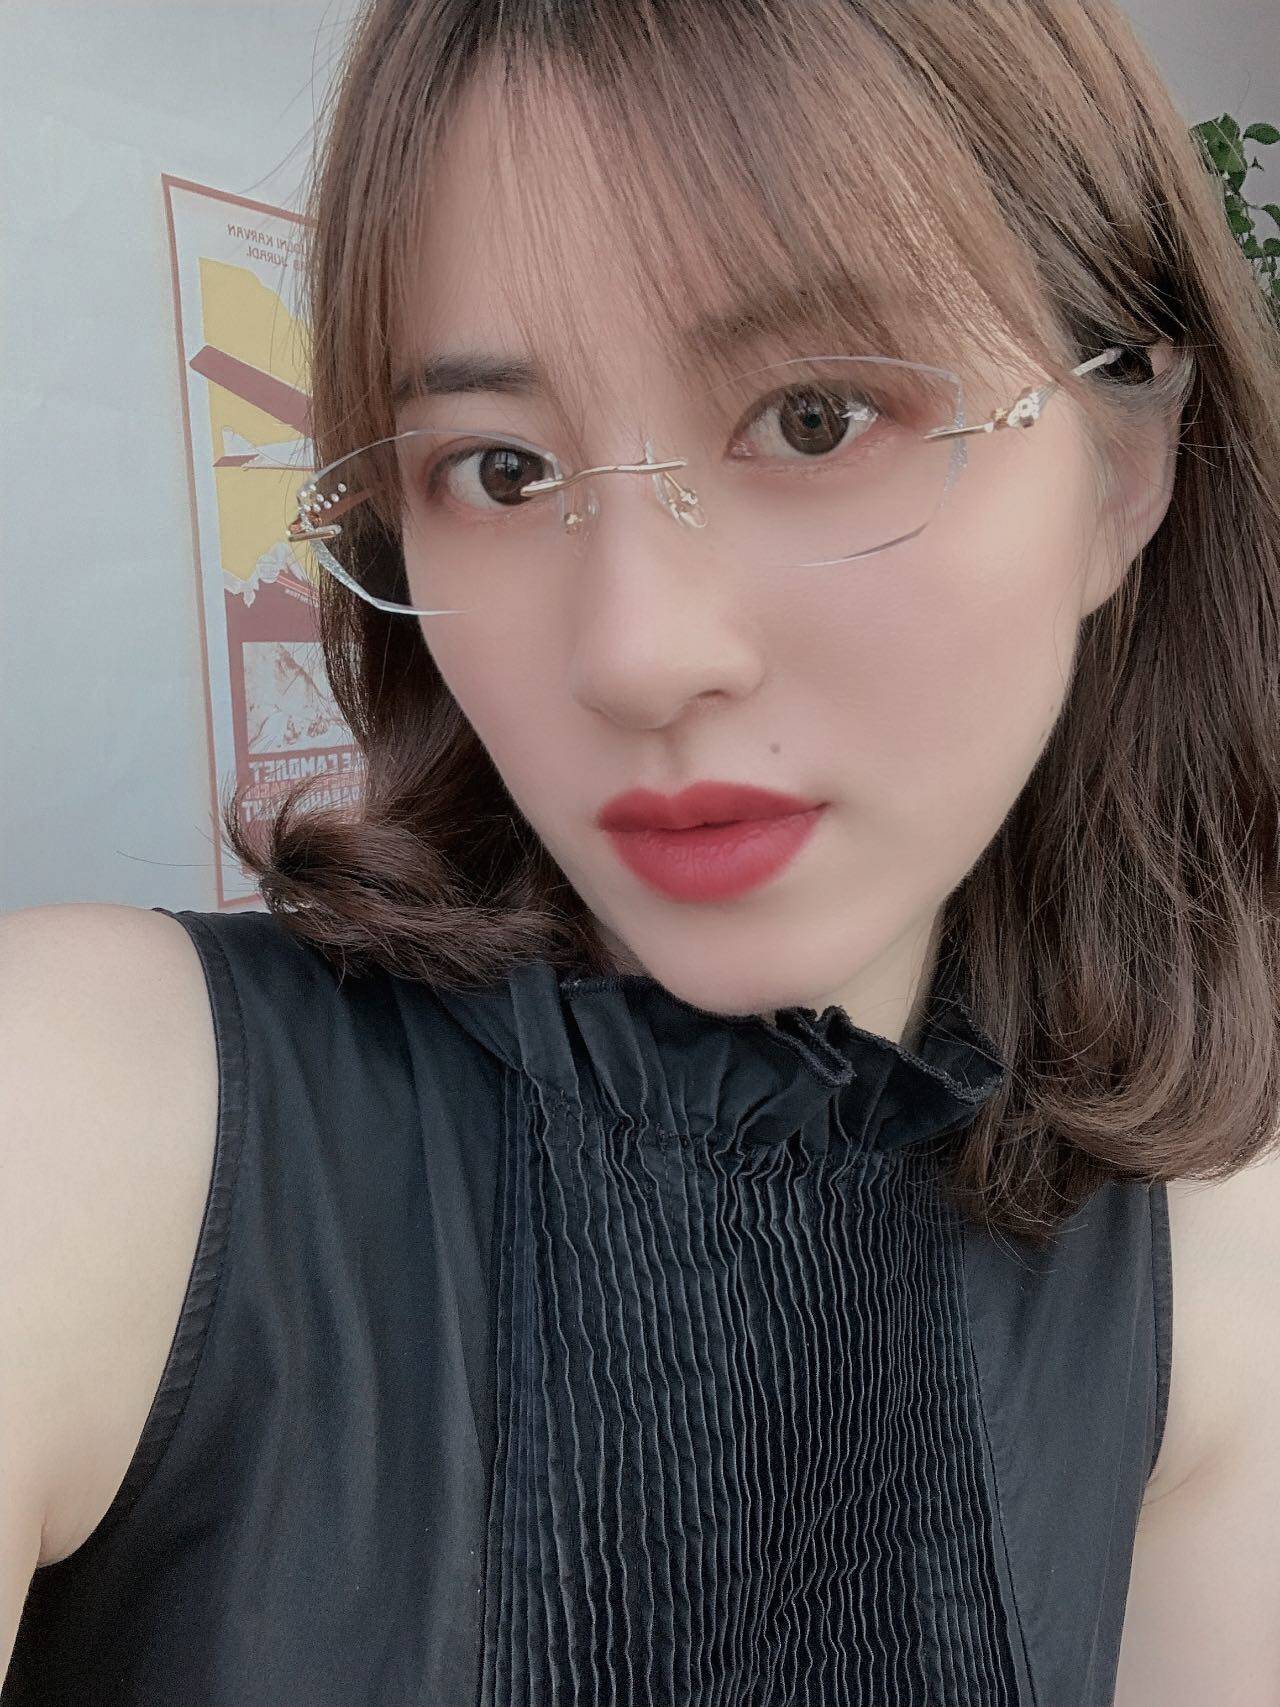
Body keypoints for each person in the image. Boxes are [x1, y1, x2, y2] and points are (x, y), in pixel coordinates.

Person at [3, 1, 1279, 1702]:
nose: (635, 653)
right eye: (502, 469)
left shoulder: (1209, 1265)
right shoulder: (92, 1127)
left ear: (1129, 466)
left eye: (815, 419)